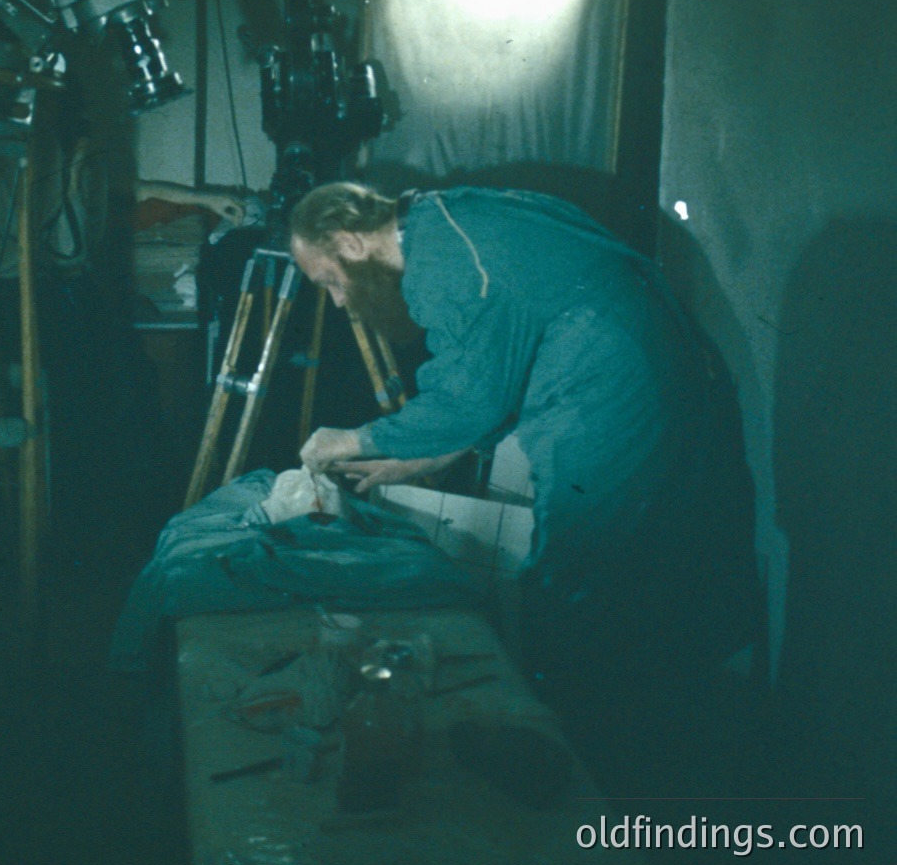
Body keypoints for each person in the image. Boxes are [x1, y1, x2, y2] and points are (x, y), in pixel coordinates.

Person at [291, 182, 760, 704]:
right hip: (643, 368)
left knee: (575, 574)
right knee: (631, 570)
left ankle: (569, 739)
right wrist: (424, 455)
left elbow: (466, 398)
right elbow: (503, 361)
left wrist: (352, 440)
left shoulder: (442, 263)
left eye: (331, 281)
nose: (337, 301)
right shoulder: (446, 214)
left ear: (351, 242)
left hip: (611, 389)